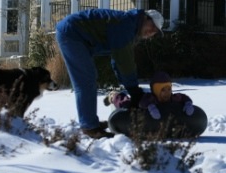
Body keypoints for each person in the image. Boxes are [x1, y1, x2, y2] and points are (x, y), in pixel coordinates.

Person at [56, 8, 164, 139]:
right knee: (85, 80)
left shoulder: (130, 26)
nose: (152, 32)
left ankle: (90, 123)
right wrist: (133, 89)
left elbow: (117, 61)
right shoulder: (126, 26)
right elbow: (125, 62)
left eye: (155, 31)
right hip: (72, 33)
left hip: (77, 35)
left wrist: (130, 87)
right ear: (145, 18)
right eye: (152, 26)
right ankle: (90, 127)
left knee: (89, 78)